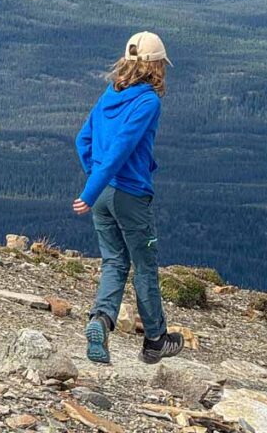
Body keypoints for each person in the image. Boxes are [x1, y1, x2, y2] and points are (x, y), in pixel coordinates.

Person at [73, 31, 184, 365]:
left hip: (104, 193)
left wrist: (94, 181)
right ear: (154, 66)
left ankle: (100, 321)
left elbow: (83, 139)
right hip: (129, 195)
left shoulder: (110, 94)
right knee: (145, 266)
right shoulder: (148, 101)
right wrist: (88, 193)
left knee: (114, 262)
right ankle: (154, 340)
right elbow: (121, 148)